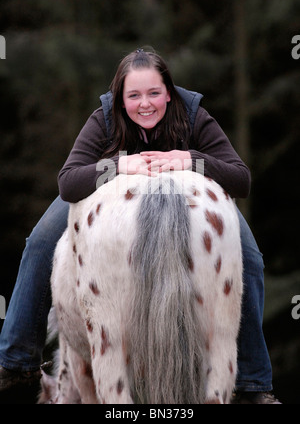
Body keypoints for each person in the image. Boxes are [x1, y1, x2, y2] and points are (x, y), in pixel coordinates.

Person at [0, 49, 280, 404]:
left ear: (169, 93)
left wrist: (190, 159)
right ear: (120, 98)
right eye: (133, 96)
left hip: (191, 195)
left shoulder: (194, 115)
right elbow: (68, 182)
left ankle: (253, 384)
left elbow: (241, 179)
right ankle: (17, 362)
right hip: (108, 186)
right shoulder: (103, 118)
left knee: (251, 260)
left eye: (153, 94)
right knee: (39, 244)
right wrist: (119, 166)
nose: (144, 104)